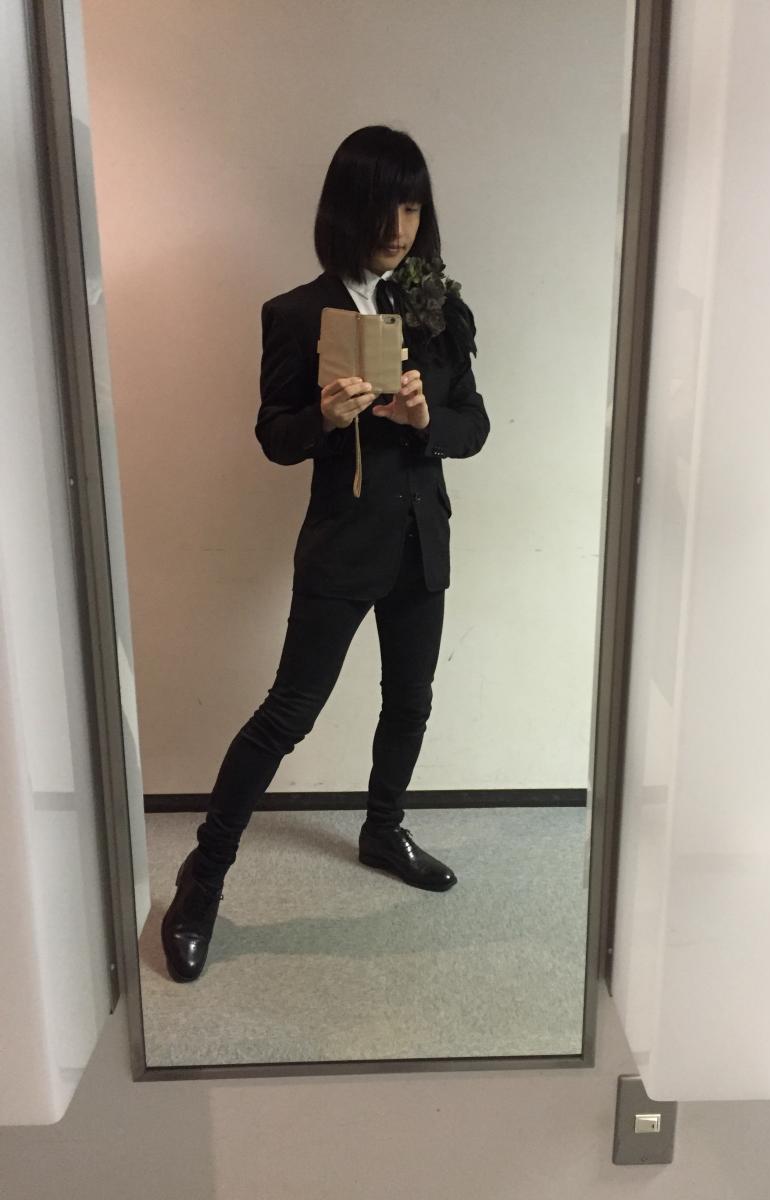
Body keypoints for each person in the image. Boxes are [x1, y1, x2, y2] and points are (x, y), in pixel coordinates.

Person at [161, 125, 490, 983]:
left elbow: (476, 425)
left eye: (412, 207)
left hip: (421, 541)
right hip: (343, 545)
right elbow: (274, 437)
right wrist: (325, 419)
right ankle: (203, 878)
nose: (400, 227)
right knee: (287, 714)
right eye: (384, 208)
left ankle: (383, 829)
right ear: (347, 210)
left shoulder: (437, 307)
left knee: (410, 701)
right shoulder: (297, 314)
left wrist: (426, 420)